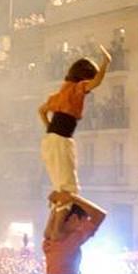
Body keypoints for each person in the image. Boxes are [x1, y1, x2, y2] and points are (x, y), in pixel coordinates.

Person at [38, 54, 110, 198]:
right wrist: (106, 63)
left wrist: (49, 128)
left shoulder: (61, 93)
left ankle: (57, 213)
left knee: (60, 187)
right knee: (69, 190)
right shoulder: (76, 90)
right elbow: (96, 82)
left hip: (50, 141)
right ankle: (64, 217)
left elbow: (42, 110)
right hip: (61, 140)